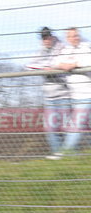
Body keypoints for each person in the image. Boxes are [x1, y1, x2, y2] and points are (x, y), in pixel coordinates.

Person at [27, 28, 71, 159]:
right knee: (51, 128)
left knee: (66, 126)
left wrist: (52, 66)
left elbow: (62, 63)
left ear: (52, 37)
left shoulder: (62, 48)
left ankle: (70, 154)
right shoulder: (41, 51)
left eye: (47, 37)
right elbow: (29, 66)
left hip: (63, 94)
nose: (45, 40)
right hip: (48, 97)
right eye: (43, 38)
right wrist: (44, 68)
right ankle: (58, 155)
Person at [53, 27, 91, 156]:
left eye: (77, 35)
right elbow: (55, 61)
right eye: (72, 36)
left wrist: (75, 63)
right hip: (74, 96)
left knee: (76, 123)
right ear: (67, 38)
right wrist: (62, 65)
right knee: (85, 125)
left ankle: (66, 152)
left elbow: (89, 60)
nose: (75, 38)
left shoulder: (86, 47)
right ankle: (75, 155)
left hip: (88, 93)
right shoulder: (65, 50)